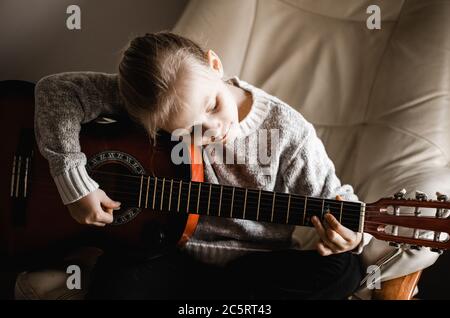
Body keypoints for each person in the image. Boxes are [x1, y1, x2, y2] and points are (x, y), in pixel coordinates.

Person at [34, 31, 368, 299]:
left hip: (254, 266)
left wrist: (350, 237)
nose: (213, 129)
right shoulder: (152, 102)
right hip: (166, 251)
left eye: (213, 106)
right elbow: (56, 91)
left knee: (345, 269)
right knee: (116, 285)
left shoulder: (287, 129)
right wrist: (72, 178)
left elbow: (336, 199)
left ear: (214, 64)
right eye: (188, 131)